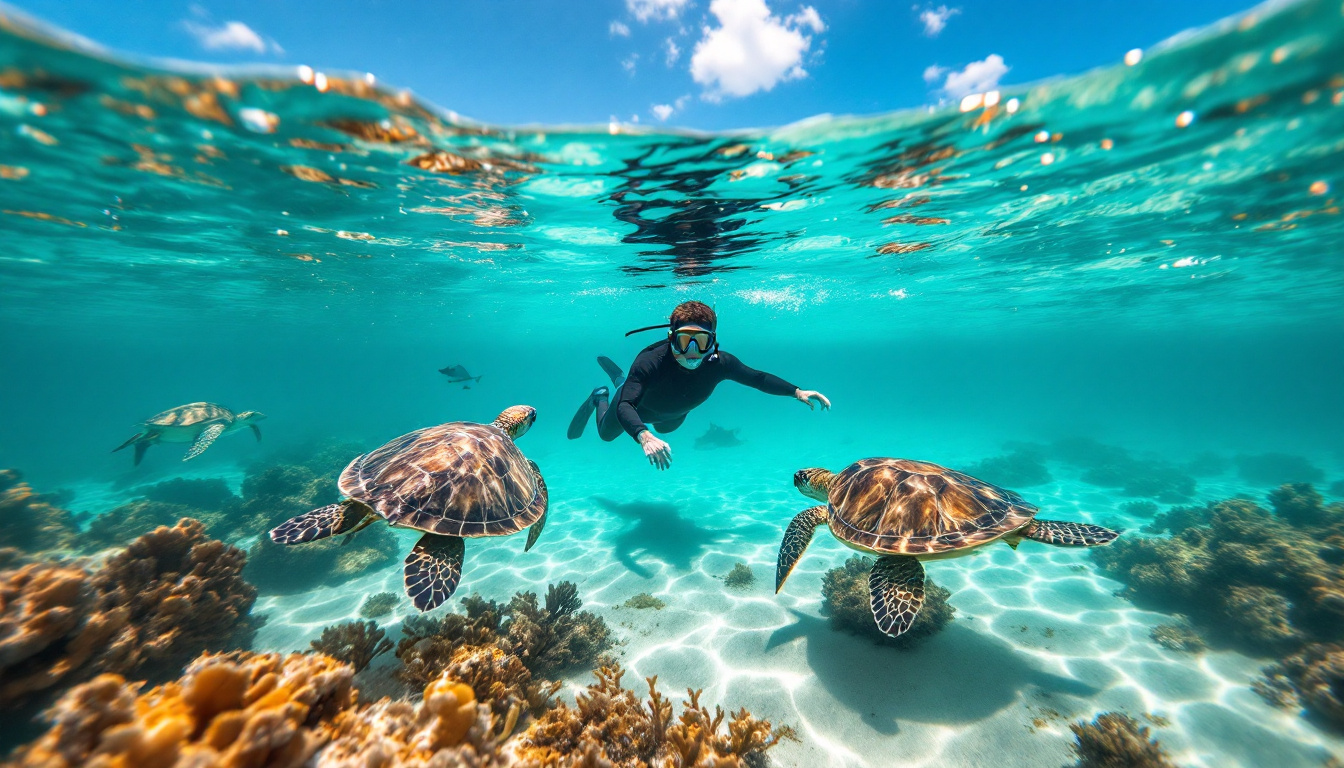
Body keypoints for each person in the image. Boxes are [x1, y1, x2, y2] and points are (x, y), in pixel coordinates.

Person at [567, 301, 830, 470]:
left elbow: (757, 378)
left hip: (673, 415)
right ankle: (600, 397)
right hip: (634, 410)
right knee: (606, 433)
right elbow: (626, 404)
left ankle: (622, 381)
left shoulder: (721, 363)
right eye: (684, 341)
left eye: (701, 341)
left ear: (712, 341)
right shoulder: (650, 361)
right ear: (671, 338)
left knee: (666, 428)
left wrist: (796, 391)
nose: (692, 351)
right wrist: (643, 436)